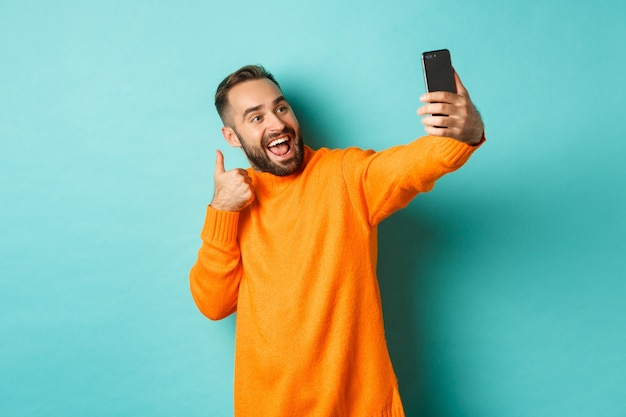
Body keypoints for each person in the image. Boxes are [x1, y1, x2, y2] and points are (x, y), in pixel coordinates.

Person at [190, 64, 484, 417]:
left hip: (358, 406)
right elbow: (213, 304)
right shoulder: (235, 202)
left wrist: (465, 134)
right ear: (232, 137)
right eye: (255, 118)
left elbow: (413, 164)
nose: (277, 124)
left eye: (281, 108)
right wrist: (222, 209)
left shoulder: (345, 175)